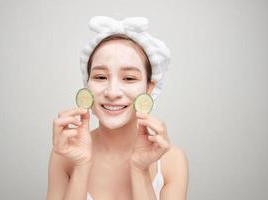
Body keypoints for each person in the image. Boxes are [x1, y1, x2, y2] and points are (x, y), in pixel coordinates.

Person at [46, 16, 189, 200]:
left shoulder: (172, 161)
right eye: (100, 77)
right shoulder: (64, 154)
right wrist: (81, 165)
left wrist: (139, 169)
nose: (112, 92)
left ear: (149, 88)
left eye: (129, 78)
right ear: (87, 84)